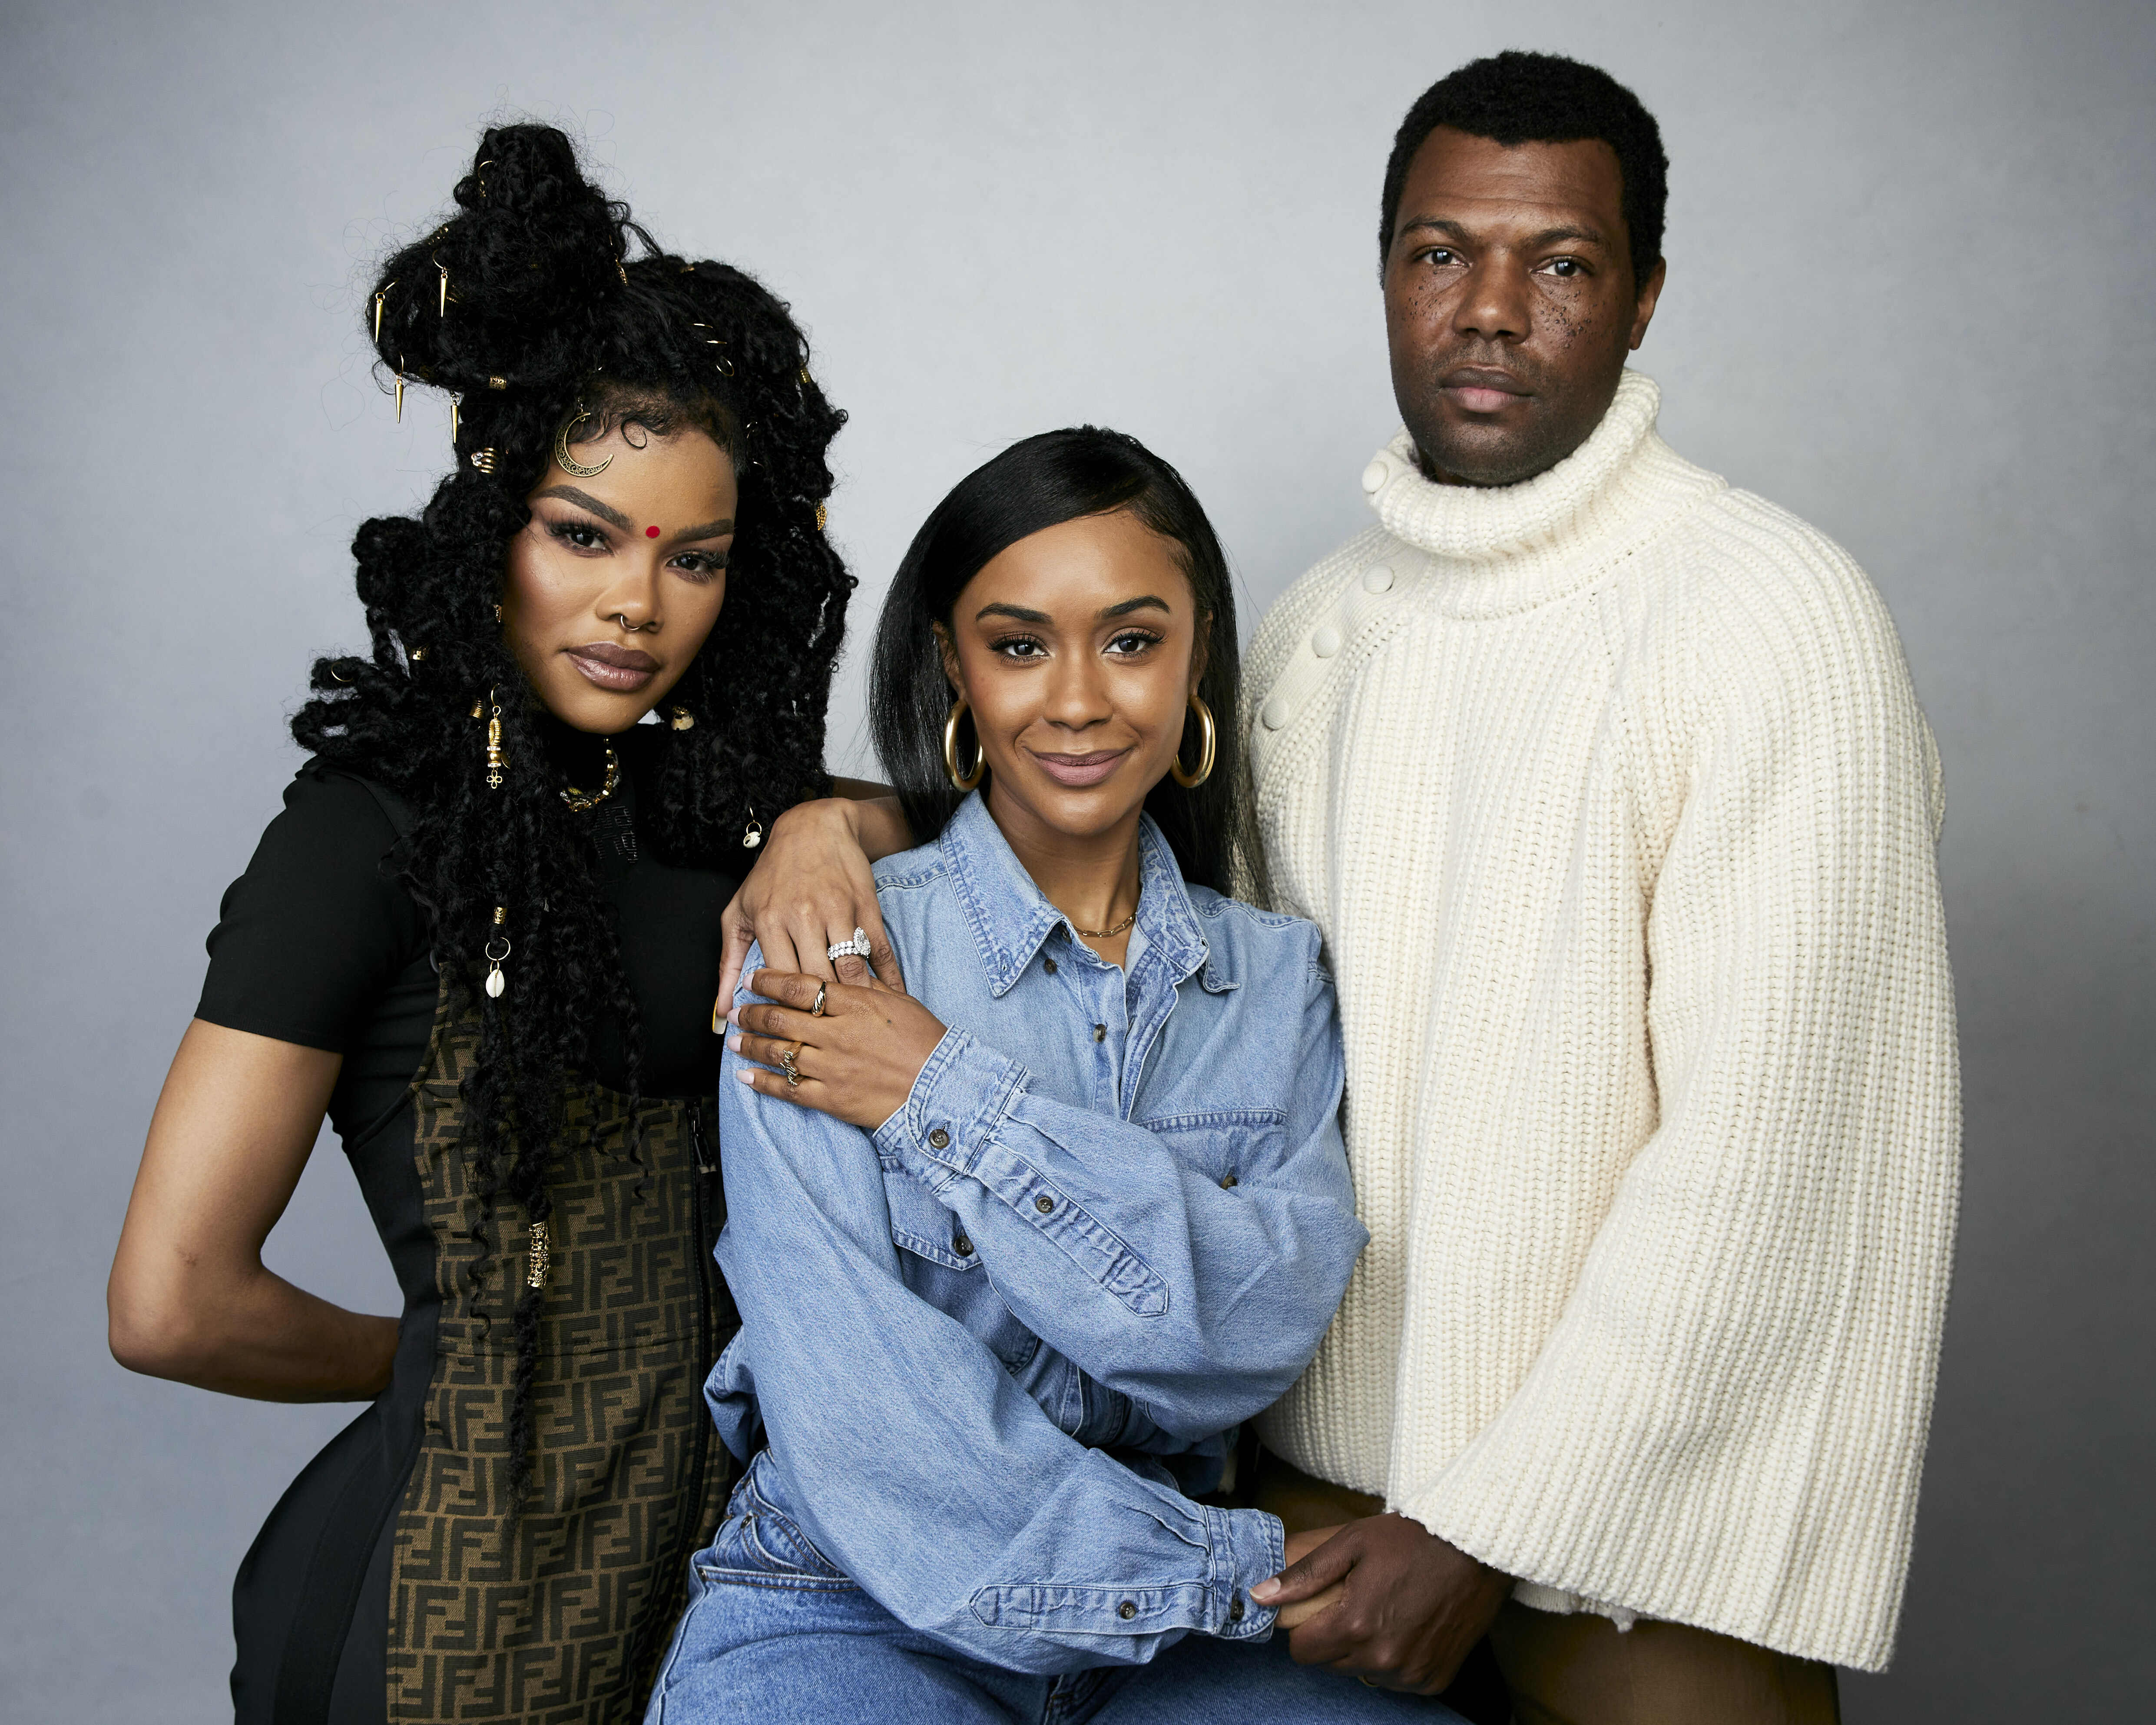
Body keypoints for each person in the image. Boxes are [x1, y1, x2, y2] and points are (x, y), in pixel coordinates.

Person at [723, 50, 1960, 1725]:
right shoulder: (1313, 638)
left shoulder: (1771, 619)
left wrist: (1486, 1520)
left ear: (1646, 295)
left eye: (1563, 262)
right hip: (1312, 1495)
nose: (1491, 310)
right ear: (1385, 273)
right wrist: (840, 818)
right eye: (1442, 253)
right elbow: (1078, 827)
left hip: (1611, 1516)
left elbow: (1772, 1164)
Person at [107, 125, 858, 1724]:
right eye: (582, 533)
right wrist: (445, 1358)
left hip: (710, 1577)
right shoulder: (369, 832)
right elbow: (169, 1297)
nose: (634, 606)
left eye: (695, 560)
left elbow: (989, 813)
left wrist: (822, 819)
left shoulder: (720, 812)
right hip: (453, 1599)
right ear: (492, 523)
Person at [647, 430, 1451, 1725]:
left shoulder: (1274, 977)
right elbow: (872, 1428)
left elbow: (1248, 1336)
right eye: (1019, 645)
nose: (1077, 698)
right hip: (853, 1601)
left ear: (1196, 657)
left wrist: (938, 1092)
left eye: (1131, 640)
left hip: (1176, 1648)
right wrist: (1234, 1569)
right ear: (952, 669)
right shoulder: (821, 950)